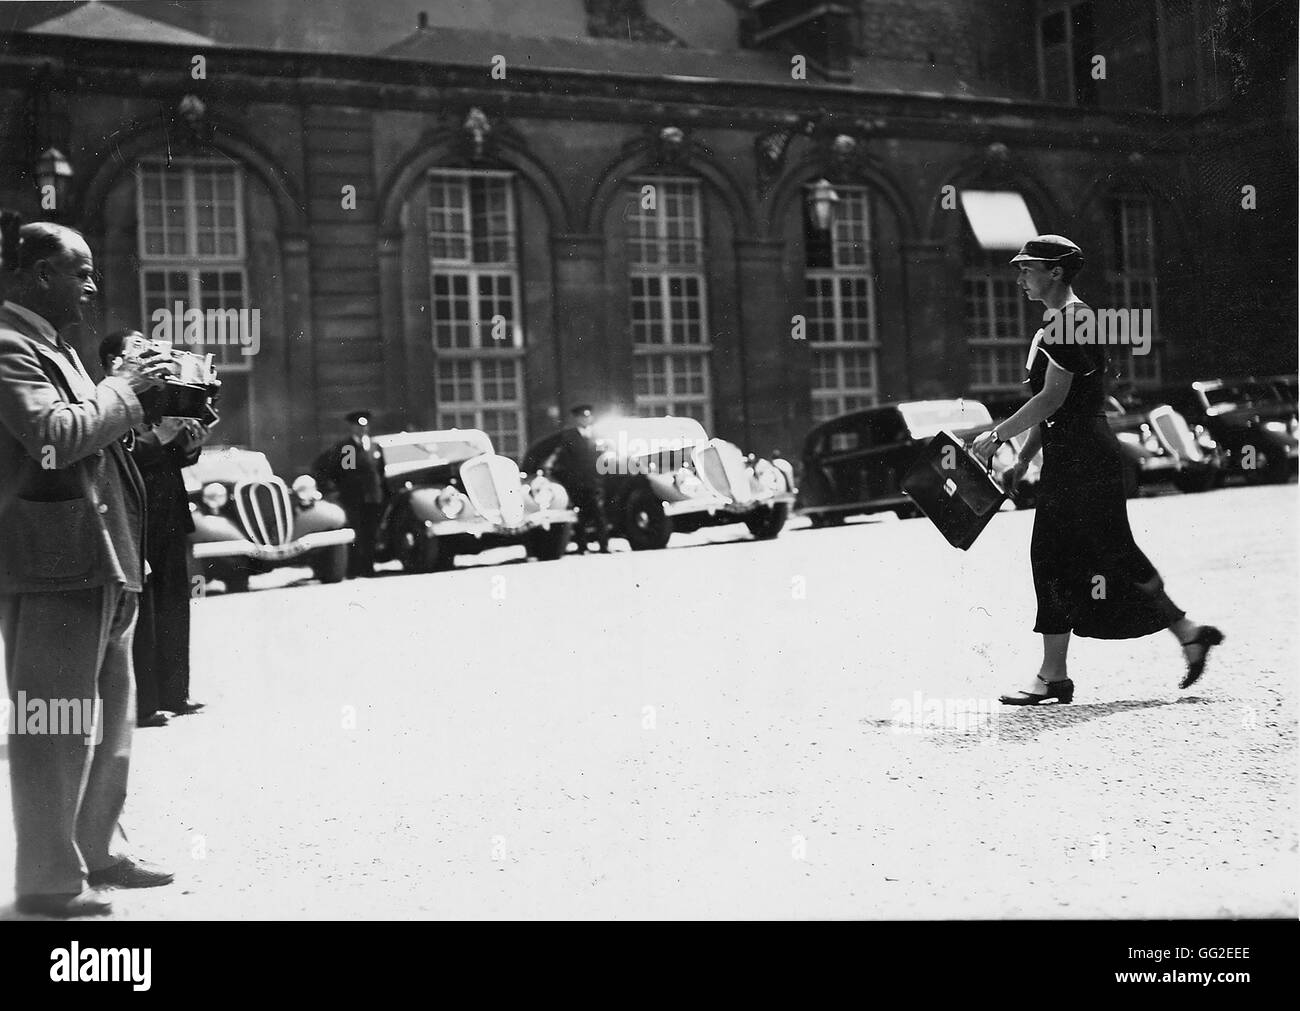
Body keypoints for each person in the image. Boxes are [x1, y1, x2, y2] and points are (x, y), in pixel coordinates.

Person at [0, 222, 176, 917]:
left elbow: (98, 441)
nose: (93, 286)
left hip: (98, 561)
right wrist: (123, 389)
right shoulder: (9, 347)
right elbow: (53, 439)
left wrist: (162, 417)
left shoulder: (54, 348)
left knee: (108, 719)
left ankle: (95, 849)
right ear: (42, 274)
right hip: (50, 567)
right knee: (53, 723)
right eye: (81, 272)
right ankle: (48, 879)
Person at [969, 234, 1224, 705]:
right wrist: (1024, 458)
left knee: (1055, 556)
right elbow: (1054, 411)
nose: (1021, 276)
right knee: (1103, 554)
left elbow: (1053, 399)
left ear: (1057, 273)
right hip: (1078, 455)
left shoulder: (1070, 322)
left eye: (1029, 268)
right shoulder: (1064, 323)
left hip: (1083, 459)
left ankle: (1054, 675)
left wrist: (998, 436)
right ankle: (1186, 634)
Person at [99, 330, 207, 728]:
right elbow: (124, 456)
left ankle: (176, 694)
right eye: (137, 350)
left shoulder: (154, 396)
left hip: (168, 512)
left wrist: (190, 443)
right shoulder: (109, 398)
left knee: (175, 603)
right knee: (142, 613)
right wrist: (161, 437)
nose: (150, 357)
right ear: (114, 361)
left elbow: (172, 457)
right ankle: (145, 704)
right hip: (136, 515)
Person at [314, 409, 386, 577]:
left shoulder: (374, 446)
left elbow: (379, 471)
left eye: (365, 426)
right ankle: (354, 569)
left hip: (373, 497)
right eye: (358, 427)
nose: (362, 430)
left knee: (371, 534)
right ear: (352, 428)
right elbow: (348, 473)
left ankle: (368, 568)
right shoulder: (349, 448)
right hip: (355, 498)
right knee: (357, 533)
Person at [549, 405, 610, 554]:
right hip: (577, 483)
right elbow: (565, 460)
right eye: (582, 417)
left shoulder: (597, 436)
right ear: (576, 419)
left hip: (593, 481)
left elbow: (602, 458)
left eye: (588, 416)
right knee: (581, 516)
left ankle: (604, 546)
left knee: (598, 515)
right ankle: (582, 546)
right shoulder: (569, 436)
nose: (585, 419)